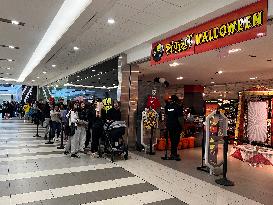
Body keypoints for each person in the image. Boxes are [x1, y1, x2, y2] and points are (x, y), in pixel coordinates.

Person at [165, 95, 183, 161]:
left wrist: (166, 124)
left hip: (169, 125)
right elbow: (180, 118)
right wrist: (182, 126)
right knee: (176, 140)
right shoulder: (178, 107)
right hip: (176, 126)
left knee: (172, 139)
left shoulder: (168, 106)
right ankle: (174, 154)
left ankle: (173, 153)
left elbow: (166, 116)